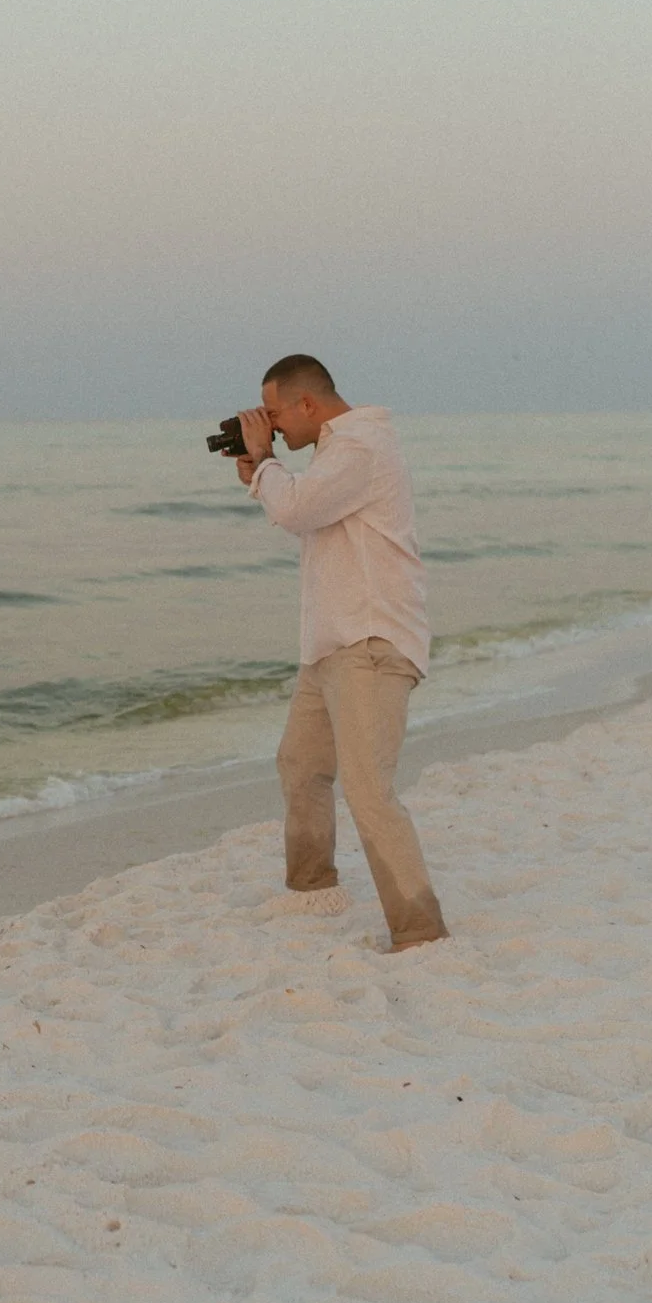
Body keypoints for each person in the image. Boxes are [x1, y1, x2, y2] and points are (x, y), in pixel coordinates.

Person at [234, 355, 449, 951]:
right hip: (332, 645)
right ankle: (314, 889)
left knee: (367, 788)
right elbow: (306, 513)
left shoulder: (360, 447)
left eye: (274, 414)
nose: (272, 427)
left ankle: (420, 930)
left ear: (308, 403)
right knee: (300, 765)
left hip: (370, 644)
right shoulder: (336, 451)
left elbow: (298, 507)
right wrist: (262, 474)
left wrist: (268, 465)